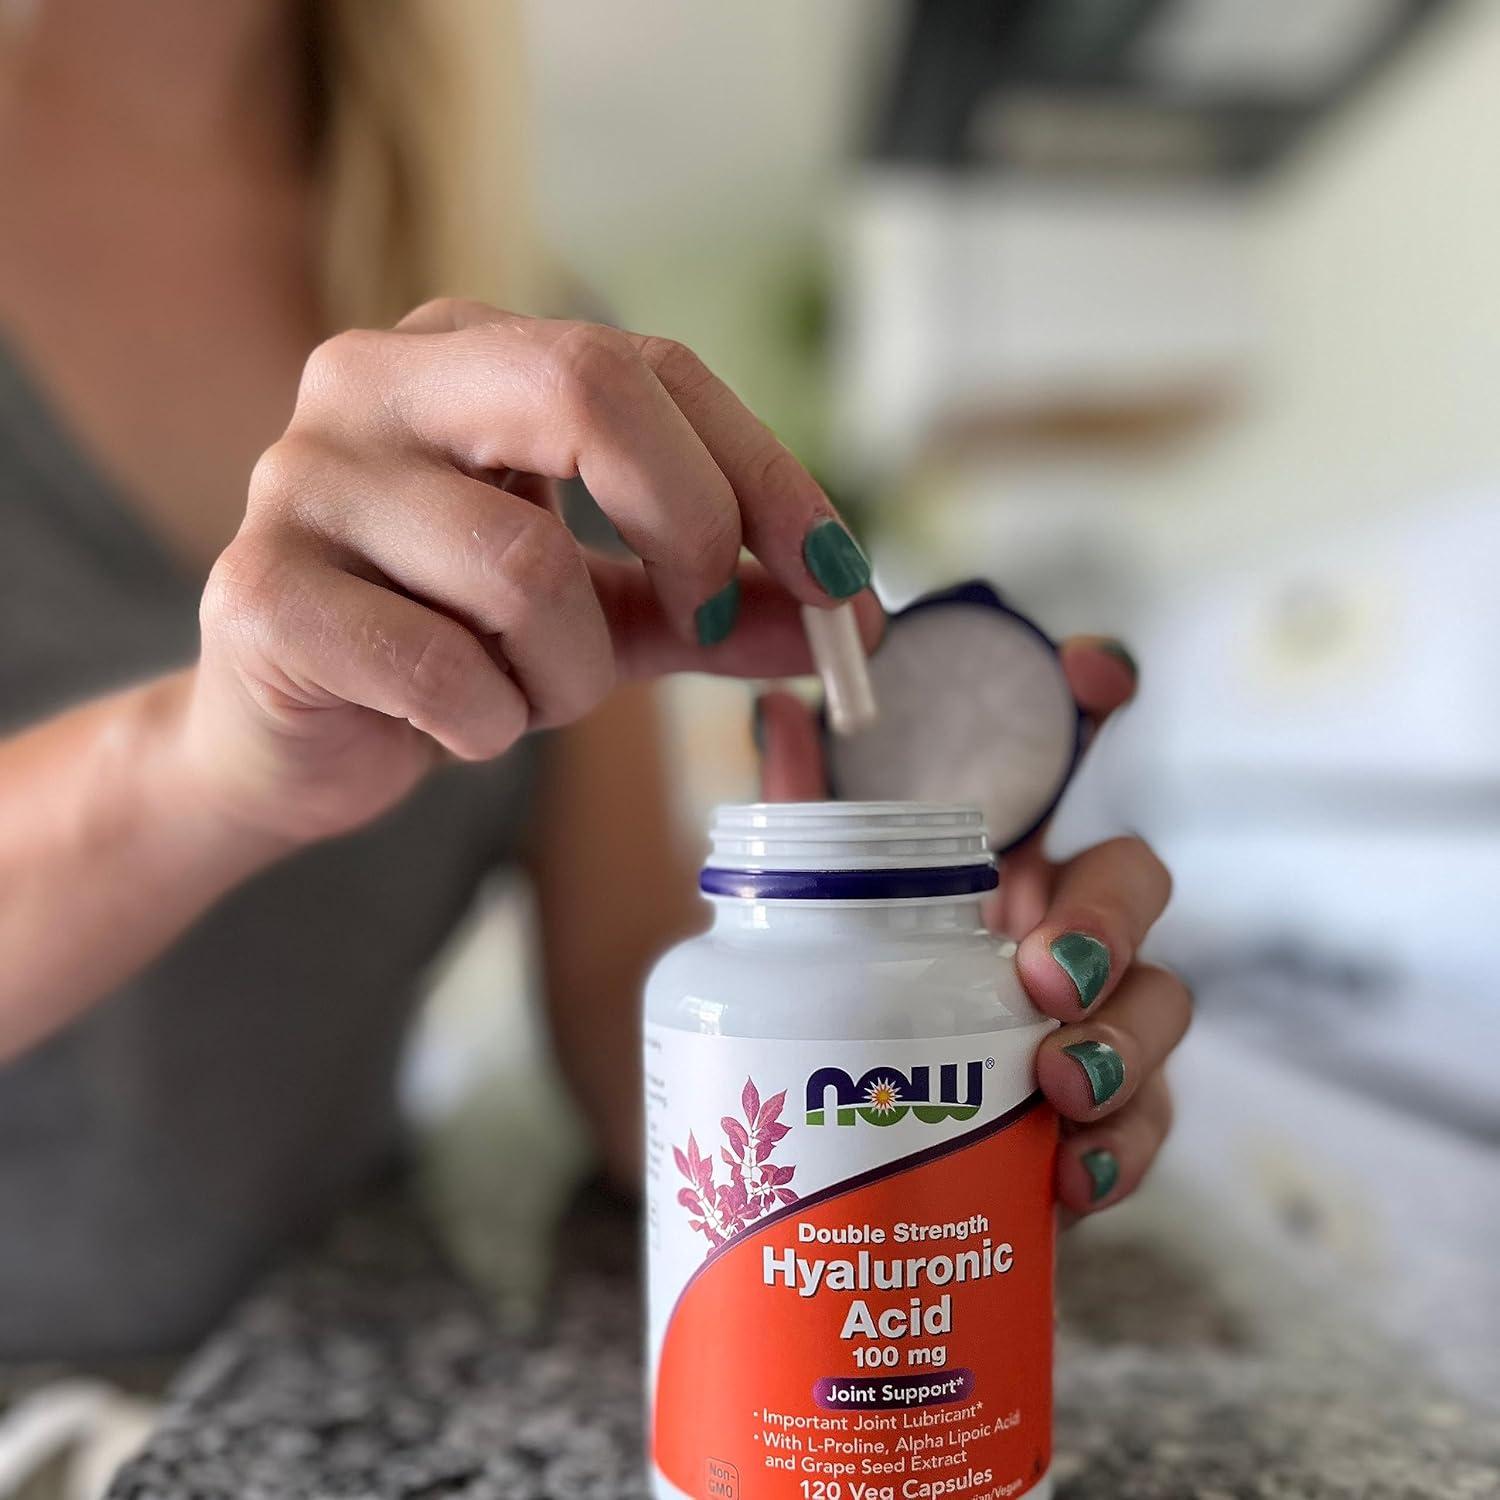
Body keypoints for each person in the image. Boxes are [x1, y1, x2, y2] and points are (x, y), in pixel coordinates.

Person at [0, 0, 1190, 1374]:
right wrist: (211, 770)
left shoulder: (519, 334)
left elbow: (625, 995)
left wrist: (865, 1008)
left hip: (342, 1363)